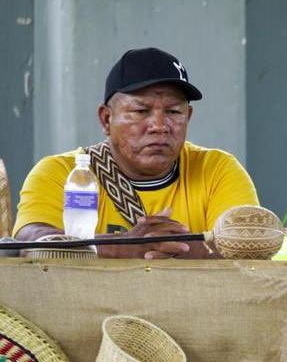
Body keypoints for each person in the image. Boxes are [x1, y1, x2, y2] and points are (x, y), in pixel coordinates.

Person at [14, 47, 259, 259]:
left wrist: (168, 247)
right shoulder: (63, 173)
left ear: (189, 117)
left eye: (174, 112)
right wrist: (125, 247)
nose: (160, 125)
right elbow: (32, 243)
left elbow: (249, 246)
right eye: (141, 111)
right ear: (106, 119)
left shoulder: (217, 169)